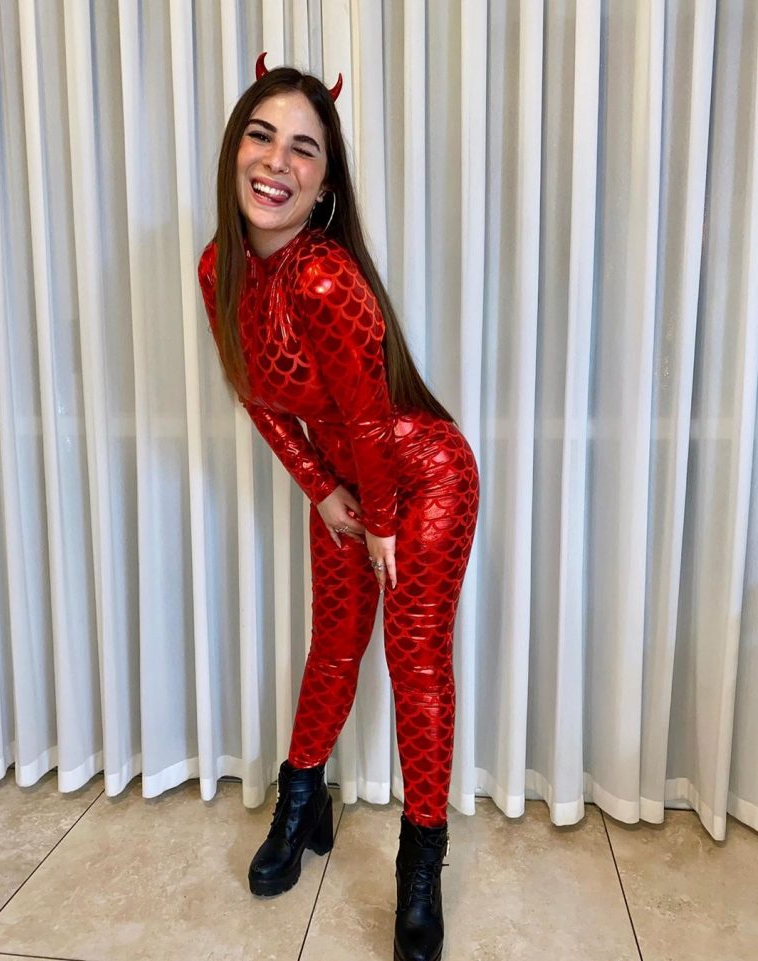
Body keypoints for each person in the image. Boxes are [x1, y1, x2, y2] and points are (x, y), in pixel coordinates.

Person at [197, 52, 479, 961]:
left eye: (303, 149)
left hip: (420, 476)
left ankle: (420, 864)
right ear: (235, 150)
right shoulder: (218, 269)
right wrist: (322, 490)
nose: (275, 161)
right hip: (350, 487)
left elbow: (365, 416)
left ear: (323, 185)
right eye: (261, 136)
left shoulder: (323, 275)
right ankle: (301, 803)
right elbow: (254, 395)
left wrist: (383, 521)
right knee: (333, 646)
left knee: (414, 660)